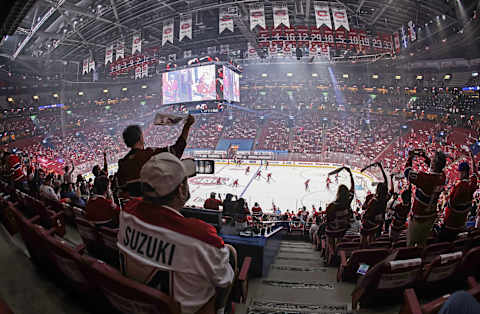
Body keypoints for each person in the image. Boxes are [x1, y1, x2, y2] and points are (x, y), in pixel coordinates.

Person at [118, 153, 236, 314]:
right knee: (230, 254)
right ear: (181, 189)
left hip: (139, 303)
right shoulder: (201, 236)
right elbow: (224, 283)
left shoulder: (127, 212)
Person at [117, 115, 195, 196]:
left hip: (134, 207)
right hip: (151, 204)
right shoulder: (149, 154)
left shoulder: (122, 163)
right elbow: (177, 150)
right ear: (141, 138)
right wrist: (187, 126)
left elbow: (120, 188)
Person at [404, 150, 446, 247]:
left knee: (410, 244)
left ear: (434, 163)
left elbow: (407, 172)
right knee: (422, 242)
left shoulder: (425, 178)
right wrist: (426, 158)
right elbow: (436, 170)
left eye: (432, 159)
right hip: (430, 217)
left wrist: (410, 158)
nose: (431, 160)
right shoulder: (442, 177)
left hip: (418, 217)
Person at [439, 157, 478, 242]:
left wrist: (446, 196)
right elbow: (474, 176)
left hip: (450, 225)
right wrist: (473, 163)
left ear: (463, 173)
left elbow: (451, 203)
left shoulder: (460, 187)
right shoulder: (471, 187)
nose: (458, 174)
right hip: (460, 225)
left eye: (459, 172)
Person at [360, 162, 392, 248]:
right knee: (373, 238)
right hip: (378, 223)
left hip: (369, 223)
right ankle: (372, 249)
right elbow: (386, 183)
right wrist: (381, 167)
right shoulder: (385, 199)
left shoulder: (373, 200)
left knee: (364, 238)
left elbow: (364, 208)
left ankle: (364, 250)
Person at [325, 167, 355, 259]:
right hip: (343, 228)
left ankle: (331, 255)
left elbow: (328, 219)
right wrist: (350, 174)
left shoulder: (332, 205)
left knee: (329, 239)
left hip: (333, 229)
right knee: (339, 238)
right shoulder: (348, 201)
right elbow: (352, 188)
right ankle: (338, 254)